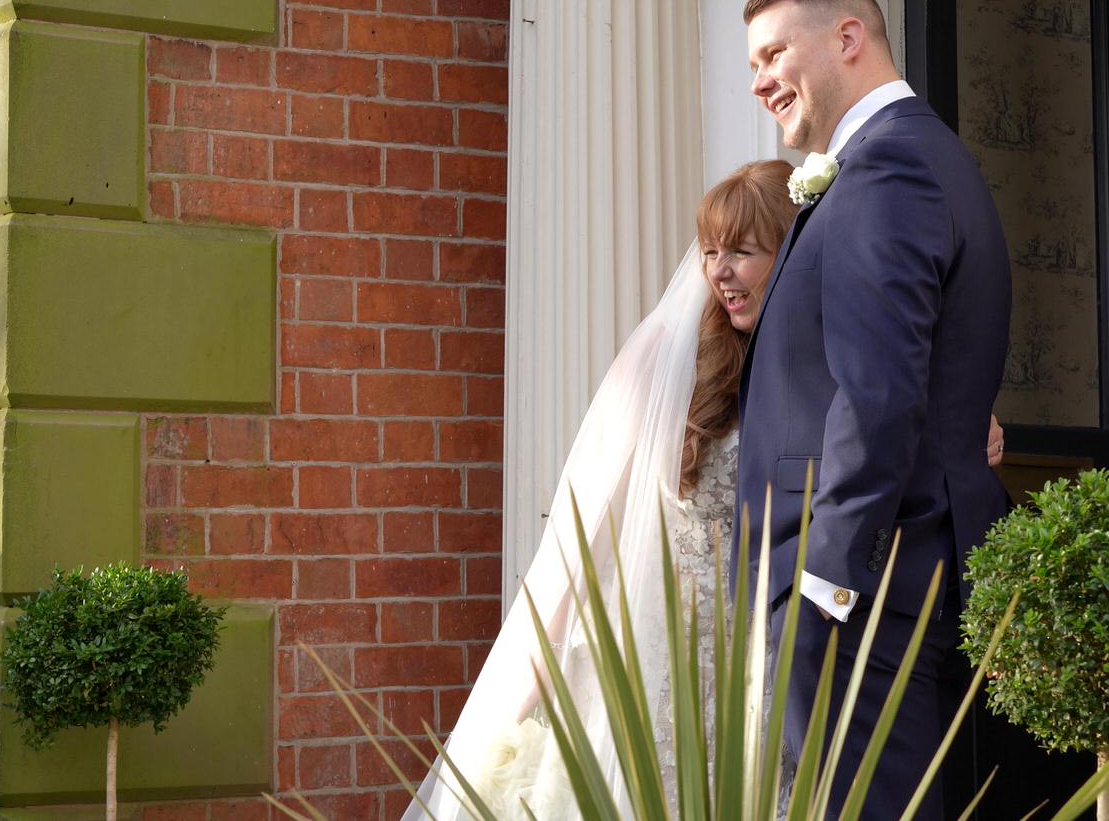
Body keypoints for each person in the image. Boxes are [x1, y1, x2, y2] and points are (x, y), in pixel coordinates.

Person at [396, 157, 1008, 820]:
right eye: (712, 252)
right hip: (669, 666)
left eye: (743, 252)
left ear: (793, 252)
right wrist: (529, 683)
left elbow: (884, 429)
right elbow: (587, 528)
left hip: (775, 659)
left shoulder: (833, 360)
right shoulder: (667, 360)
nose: (720, 272)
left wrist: (968, 428)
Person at [735, 0, 1013, 821]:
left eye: (774, 53)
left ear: (848, 39)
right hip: (885, 584)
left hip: (863, 592)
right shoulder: (908, 156)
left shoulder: (889, 165)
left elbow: (877, 392)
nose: (760, 81)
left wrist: (826, 582)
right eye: (753, 64)